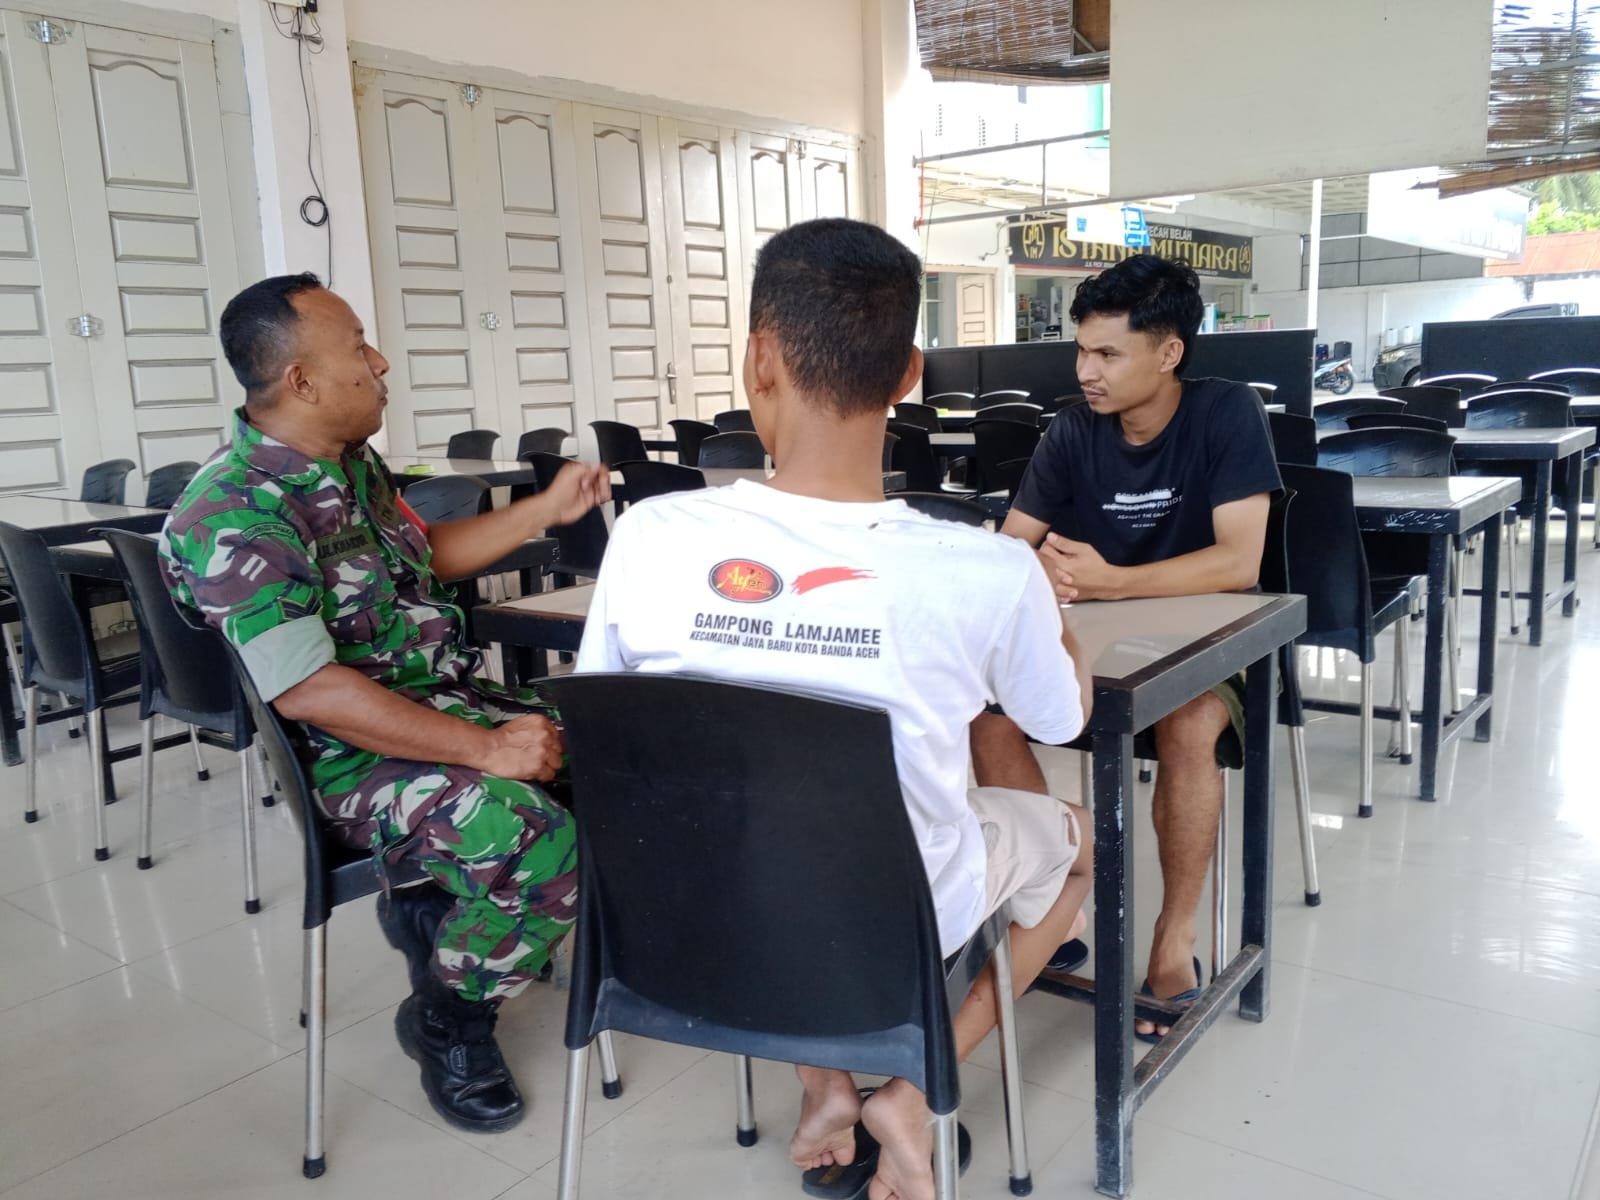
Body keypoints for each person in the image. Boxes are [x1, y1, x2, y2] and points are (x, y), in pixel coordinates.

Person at [575, 219, 1094, 1200]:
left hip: (685, 909)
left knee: (770, 836)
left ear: (757, 359)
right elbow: (1062, 720)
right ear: (909, 375)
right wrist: (1053, 612)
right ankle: (917, 1085)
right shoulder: (987, 567)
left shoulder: (647, 537)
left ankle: (825, 1084)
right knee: (1078, 846)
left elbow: (607, 725)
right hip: (893, 920)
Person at [160, 273, 612, 1133]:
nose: (380, 361)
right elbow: (311, 690)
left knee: (631, 748)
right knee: (537, 841)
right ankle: (447, 1019)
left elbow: (426, 554)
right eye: (358, 347)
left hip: (442, 703)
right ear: (301, 381)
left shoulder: (346, 465)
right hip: (350, 754)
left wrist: (544, 510)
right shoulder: (230, 510)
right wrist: (488, 750)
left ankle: (437, 905)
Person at [970, 254, 1280, 1040]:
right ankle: (1052, 906)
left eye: (1108, 353)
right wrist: (1023, 567)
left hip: (1207, 639)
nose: (1086, 372)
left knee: (1190, 721)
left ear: (1169, 351)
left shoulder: (1225, 412)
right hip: (1098, 644)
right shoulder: (1074, 429)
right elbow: (1012, 545)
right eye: (1082, 351)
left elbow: (1239, 562)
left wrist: (1112, 584)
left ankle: (1173, 938)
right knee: (988, 714)